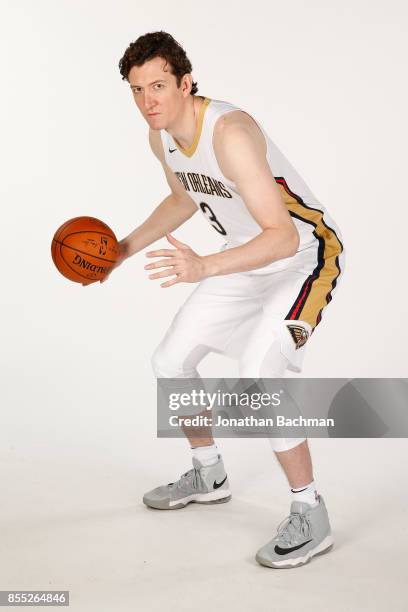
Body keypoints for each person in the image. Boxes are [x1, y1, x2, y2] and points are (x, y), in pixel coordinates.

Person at [106, 31, 345, 569]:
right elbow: (182, 198)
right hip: (247, 253)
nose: (149, 101)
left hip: (304, 256)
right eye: (138, 90)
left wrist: (203, 267)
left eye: (160, 86)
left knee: (262, 370)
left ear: (186, 82)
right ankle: (208, 471)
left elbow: (282, 236)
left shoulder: (230, 132)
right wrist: (120, 250)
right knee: (170, 361)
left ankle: (311, 511)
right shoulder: (161, 134)